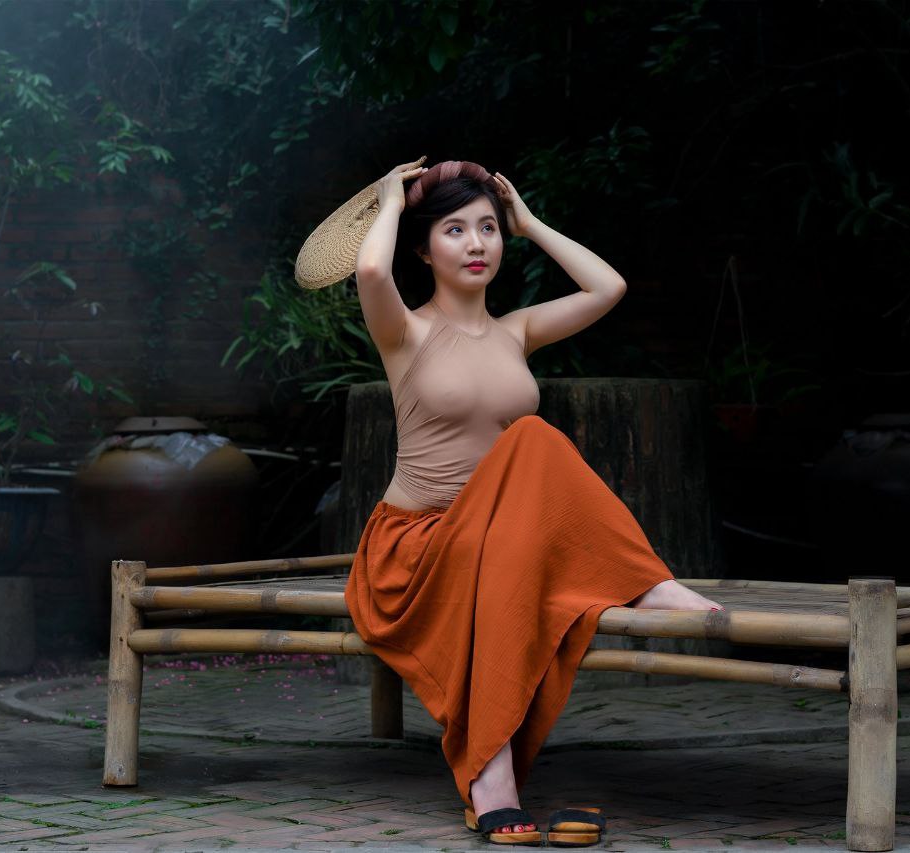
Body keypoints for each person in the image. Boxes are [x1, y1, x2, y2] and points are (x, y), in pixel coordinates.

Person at [309, 156, 723, 847]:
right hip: (414, 551)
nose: (477, 243)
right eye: (454, 230)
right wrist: (388, 199)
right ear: (423, 248)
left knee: (529, 455)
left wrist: (529, 222)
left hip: (491, 544)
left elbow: (608, 287)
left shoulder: (517, 332)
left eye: (488, 228)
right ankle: (495, 769)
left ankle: (495, 770)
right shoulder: (403, 332)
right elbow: (373, 271)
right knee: (532, 436)